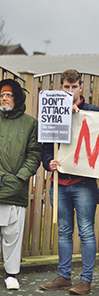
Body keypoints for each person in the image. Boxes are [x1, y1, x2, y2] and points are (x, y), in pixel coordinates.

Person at [40, 69, 99, 295]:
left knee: (86, 231)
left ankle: (85, 280)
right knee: (64, 231)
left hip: (83, 183)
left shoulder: (93, 112)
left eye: (73, 87)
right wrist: (49, 163)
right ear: (60, 87)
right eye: (66, 87)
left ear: (80, 88)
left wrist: (80, 115)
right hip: (59, 182)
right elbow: (46, 147)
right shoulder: (52, 111)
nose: (70, 91)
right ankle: (64, 276)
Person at [0, 79, 41, 290]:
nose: (4, 98)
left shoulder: (30, 123)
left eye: (8, 94)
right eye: (1, 95)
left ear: (17, 97)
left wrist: (20, 177)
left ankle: (11, 274)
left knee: (12, 234)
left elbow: (34, 154)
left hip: (16, 187)